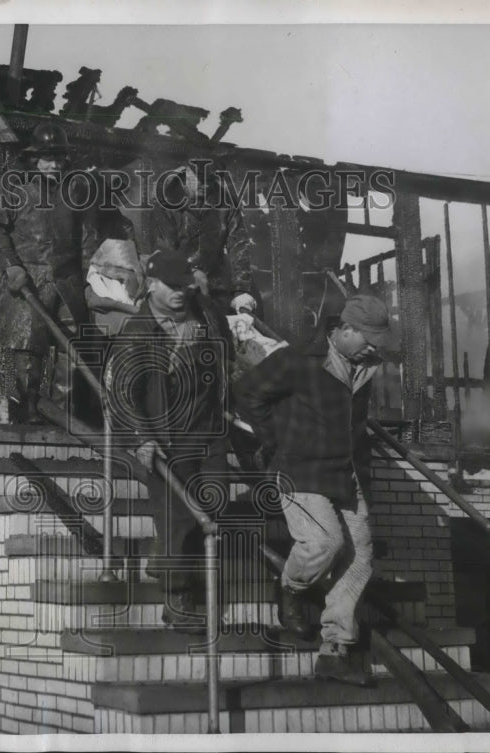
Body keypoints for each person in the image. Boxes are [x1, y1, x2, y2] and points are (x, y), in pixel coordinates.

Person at [233, 294, 399, 686]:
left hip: (345, 472)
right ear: (342, 330)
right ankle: (290, 588)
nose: (373, 347)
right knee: (325, 542)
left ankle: (335, 649)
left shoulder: (365, 368)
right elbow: (247, 393)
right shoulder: (298, 361)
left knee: (360, 555)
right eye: (367, 338)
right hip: (299, 470)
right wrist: (274, 440)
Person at [107, 249, 234, 633]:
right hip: (164, 438)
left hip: (207, 431)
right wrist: (142, 438)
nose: (181, 292)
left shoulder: (207, 315)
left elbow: (227, 357)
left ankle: (165, 559)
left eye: (186, 285)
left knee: (214, 500)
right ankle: (177, 599)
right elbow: (121, 392)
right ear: (152, 285)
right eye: (172, 286)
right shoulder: (138, 331)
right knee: (177, 516)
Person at [0, 123, 97, 423]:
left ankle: (61, 414)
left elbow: (86, 237)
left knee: (69, 350)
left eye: (58, 158)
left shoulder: (75, 189)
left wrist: (89, 280)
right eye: (47, 158)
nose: (54, 165)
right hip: (29, 279)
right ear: (34, 158)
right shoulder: (14, 186)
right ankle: (28, 410)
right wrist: (11, 264)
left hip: (67, 281)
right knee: (27, 348)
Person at [152, 161, 253, 311]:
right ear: (186, 173)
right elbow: (165, 251)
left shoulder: (226, 201)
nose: (205, 184)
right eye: (200, 177)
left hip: (216, 286)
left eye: (210, 179)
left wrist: (241, 290)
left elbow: (239, 245)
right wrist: (190, 273)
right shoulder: (166, 202)